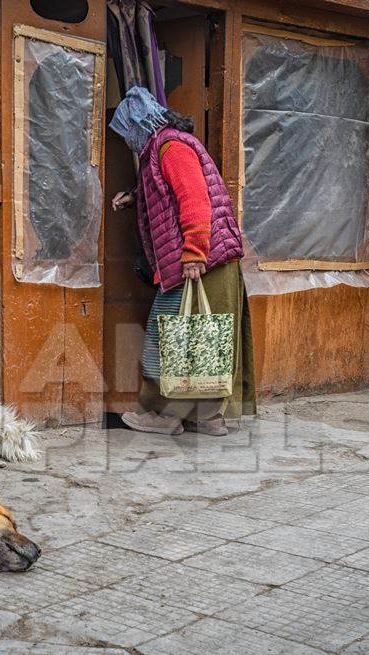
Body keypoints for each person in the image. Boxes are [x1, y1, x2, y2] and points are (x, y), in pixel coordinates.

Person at [110, 87, 256, 436]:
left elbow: (195, 201)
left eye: (127, 131)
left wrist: (193, 253)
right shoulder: (163, 147)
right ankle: (207, 418)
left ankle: (164, 415)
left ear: (139, 123)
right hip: (209, 261)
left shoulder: (171, 148)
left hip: (203, 261)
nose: (128, 140)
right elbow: (170, 193)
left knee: (168, 337)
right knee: (202, 339)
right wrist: (134, 196)